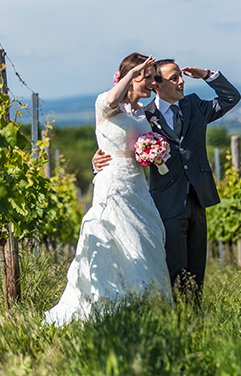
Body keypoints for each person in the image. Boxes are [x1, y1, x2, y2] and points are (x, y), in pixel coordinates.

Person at [92, 58, 240, 304]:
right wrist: (96, 162)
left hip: (198, 196)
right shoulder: (144, 116)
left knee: (196, 266)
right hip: (166, 201)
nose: (181, 82)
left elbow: (230, 98)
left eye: (180, 77)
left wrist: (207, 74)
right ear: (157, 85)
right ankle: (176, 316)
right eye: (174, 78)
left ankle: (194, 317)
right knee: (174, 266)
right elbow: (118, 142)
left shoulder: (195, 106)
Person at [44, 53, 171, 326]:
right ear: (131, 77)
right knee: (115, 238)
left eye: (152, 77)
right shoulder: (107, 106)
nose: (152, 82)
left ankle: (147, 307)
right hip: (112, 183)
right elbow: (113, 100)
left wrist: (152, 154)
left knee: (145, 238)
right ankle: (114, 306)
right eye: (146, 77)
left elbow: (133, 145)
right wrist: (134, 69)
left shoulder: (141, 113)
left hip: (137, 182)